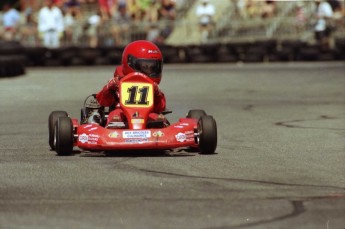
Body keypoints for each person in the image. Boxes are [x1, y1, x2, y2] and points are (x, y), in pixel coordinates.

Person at [86, 40, 166, 127]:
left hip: (147, 114)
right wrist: (110, 88)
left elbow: (161, 107)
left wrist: (157, 93)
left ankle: (159, 129)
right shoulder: (118, 81)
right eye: (145, 66)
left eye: (153, 67)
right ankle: (114, 129)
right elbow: (103, 101)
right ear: (130, 63)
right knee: (116, 115)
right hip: (122, 113)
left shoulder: (153, 87)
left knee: (156, 117)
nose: (149, 70)